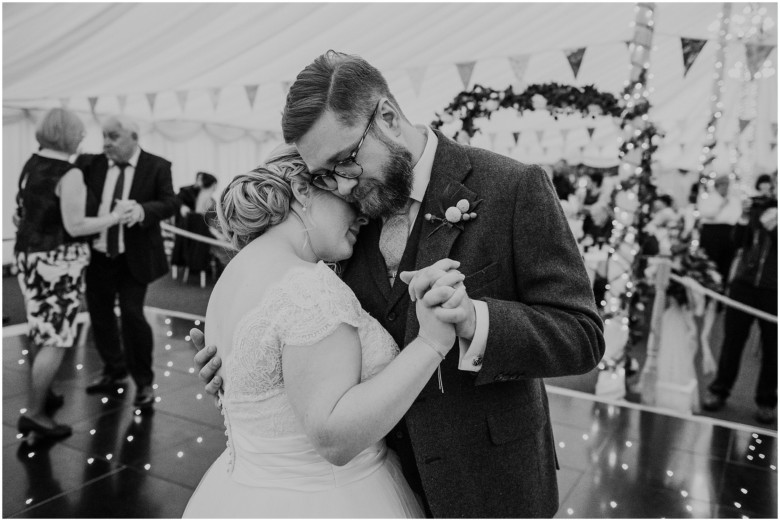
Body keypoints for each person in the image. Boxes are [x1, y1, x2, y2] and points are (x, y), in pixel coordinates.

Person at [193, 50, 604, 517]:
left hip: (489, 484)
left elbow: (582, 335)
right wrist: (252, 366)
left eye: (346, 161)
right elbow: (318, 337)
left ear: (387, 116)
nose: (342, 186)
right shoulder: (347, 217)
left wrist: (476, 319)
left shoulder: (512, 187)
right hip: (377, 483)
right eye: (324, 175)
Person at [183, 145, 472, 517]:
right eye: (349, 197)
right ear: (303, 189)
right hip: (332, 498)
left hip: (242, 492)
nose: (364, 215)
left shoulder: (236, 274)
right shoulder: (308, 287)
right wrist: (431, 342)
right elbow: (334, 438)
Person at [14, 108, 135, 441]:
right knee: (56, 339)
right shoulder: (69, 174)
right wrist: (114, 217)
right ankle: (37, 414)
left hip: (28, 258)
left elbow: (21, 212)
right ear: (64, 134)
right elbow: (76, 225)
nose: (84, 136)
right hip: (58, 265)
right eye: (79, 131)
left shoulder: (32, 163)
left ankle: (45, 391)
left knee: (41, 329)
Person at [75, 115, 179, 410]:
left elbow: (170, 202)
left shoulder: (158, 165)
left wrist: (143, 211)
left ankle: (144, 382)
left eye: (113, 136)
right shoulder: (89, 165)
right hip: (97, 255)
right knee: (100, 315)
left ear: (134, 136)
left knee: (133, 316)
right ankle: (114, 369)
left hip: (135, 257)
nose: (105, 143)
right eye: (104, 136)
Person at [702, 174, 777, 424]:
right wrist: (745, 218)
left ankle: (767, 401)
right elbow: (736, 242)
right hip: (744, 284)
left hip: (773, 290)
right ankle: (719, 389)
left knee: (772, 348)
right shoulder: (757, 209)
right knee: (732, 341)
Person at [698, 174, 742, 286]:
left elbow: (736, 216)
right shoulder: (708, 197)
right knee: (709, 263)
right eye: (723, 184)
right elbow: (706, 214)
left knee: (725, 264)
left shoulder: (733, 200)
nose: (725, 187)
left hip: (728, 233)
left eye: (727, 185)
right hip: (711, 232)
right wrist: (721, 206)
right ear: (717, 186)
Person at [171, 171, 211, 280]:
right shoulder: (186, 190)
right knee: (180, 245)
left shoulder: (205, 192)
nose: (199, 181)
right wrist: (182, 206)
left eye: (202, 179)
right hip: (185, 223)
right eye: (199, 179)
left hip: (198, 224)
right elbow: (175, 200)